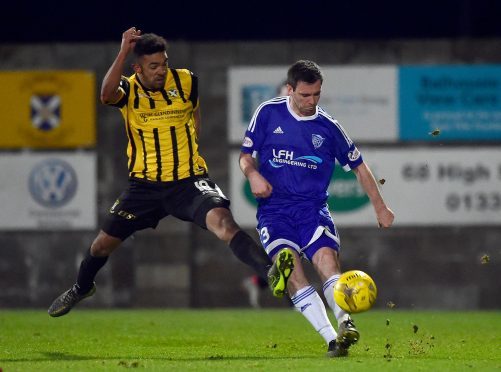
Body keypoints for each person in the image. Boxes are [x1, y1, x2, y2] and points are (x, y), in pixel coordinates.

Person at [48, 27, 291, 317]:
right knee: (101, 246)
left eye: (164, 63)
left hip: (188, 182)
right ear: (137, 68)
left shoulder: (186, 81)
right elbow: (105, 94)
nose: (161, 70)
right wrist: (124, 49)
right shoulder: (129, 89)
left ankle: (271, 274)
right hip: (144, 187)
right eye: (153, 66)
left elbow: (195, 115)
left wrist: (190, 151)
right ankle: (81, 287)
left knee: (224, 224)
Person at [239, 60, 394, 357]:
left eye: (316, 95)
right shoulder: (268, 113)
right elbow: (245, 156)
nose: (311, 102)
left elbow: (360, 168)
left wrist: (381, 207)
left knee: (326, 263)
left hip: (313, 210)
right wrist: (253, 174)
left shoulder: (329, 127)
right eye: (304, 95)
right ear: (290, 90)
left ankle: (346, 322)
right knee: (294, 271)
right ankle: (331, 340)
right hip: (275, 211)